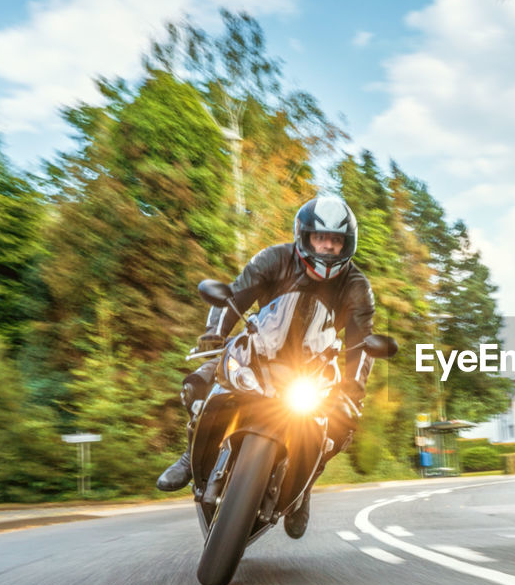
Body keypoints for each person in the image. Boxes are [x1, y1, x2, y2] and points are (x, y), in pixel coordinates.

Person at [156, 195, 376, 540]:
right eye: (321, 238)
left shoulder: (356, 286)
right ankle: (189, 456)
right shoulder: (274, 258)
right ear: (304, 236)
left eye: (335, 241)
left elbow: (361, 346)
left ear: (346, 244)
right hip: (260, 348)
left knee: (340, 424)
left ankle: (303, 488)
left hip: (313, 368)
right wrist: (215, 333)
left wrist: (353, 390)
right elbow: (236, 294)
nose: (327, 247)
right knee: (197, 383)